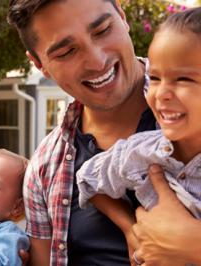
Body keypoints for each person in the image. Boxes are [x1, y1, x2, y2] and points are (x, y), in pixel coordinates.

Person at [7, 0, 201, 265]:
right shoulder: (43, 168)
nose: (97, 61)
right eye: (66, 52)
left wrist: (193, 245)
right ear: (40, 65)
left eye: (102, 31)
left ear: (121, 16)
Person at [77, 8, 201, 266]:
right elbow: (88, 179)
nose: (161, 93)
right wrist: (130, 229)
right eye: (154, 77)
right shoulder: (141, 153)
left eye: (184, 79)